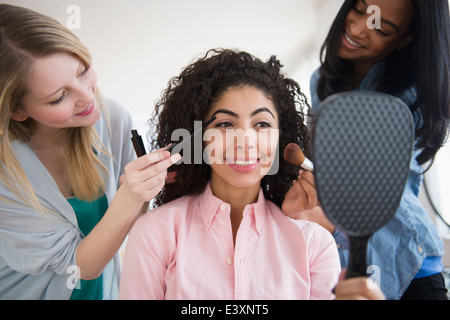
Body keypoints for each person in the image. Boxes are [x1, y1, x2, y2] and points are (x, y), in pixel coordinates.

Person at [119, 48, 385, 300]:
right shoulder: (155, 233)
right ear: (198, 137)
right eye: (225, 124)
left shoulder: (313, 244)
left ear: (282, 138)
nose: (245, 141)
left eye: (262, 124)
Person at [0, 4, 180, 299]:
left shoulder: (112, 118)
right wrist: (130, 197)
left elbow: (128, 226)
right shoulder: (6, 174)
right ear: (18, 111)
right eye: (59, 97)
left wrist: (144, 193)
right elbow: (80, 266)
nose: (88, 97)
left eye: (83, 71)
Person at [284, 0, 449, 300]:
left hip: (408, 258)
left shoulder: (409, 99)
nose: (358, 29)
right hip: (349, 259)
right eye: (359, 10)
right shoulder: (321, 79)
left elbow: (371, 187)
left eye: (381, 28)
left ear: (405, 39)